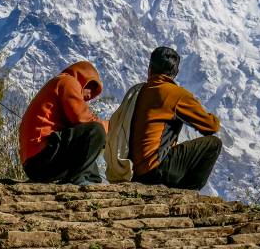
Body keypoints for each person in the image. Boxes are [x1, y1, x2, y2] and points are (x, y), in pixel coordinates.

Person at [128, 46, 222, 190]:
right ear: (175, 73)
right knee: (214, 144)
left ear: (150, 69)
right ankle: (189, 194)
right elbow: (211, 126)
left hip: (134, 172)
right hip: (156, 169)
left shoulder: (138, 92)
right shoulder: (176, 94)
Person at [19, 61, 108, 185]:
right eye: (91, 88)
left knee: (85, 141)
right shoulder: (68, 82)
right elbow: (82, 118)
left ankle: (91, 179)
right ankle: (79, 179)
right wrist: (111, 127)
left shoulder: (57, 83)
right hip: (41, 158)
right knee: (95, 130)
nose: (90, 95)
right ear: (84, 79)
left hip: (33, 164)